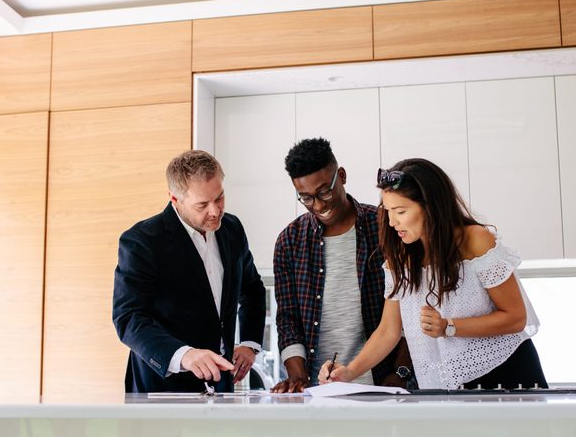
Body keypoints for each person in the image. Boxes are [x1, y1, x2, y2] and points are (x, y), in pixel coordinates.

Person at [319, 158, 547, 390]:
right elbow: (389, 330)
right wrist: (349, 372)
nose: (392, 222)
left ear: (430, 207)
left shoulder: (476, 241)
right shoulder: (401, 257)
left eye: (400, 211)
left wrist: (449, 326)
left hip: (507, 370)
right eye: (387, 211)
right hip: (453, 383)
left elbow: (516, 318)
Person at [113, 150, 266, 393]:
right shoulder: (142, 241)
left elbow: (252, 289)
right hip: (160, 386)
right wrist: (184, 355)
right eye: (202, 205)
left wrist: (249, 344)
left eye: (220, 198)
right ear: (175, 199)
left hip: (222, 384)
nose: (215, 211)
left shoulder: (233, 229)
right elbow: (129, 318)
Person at [272, 138, 411, 393]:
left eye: (324, 191)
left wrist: (400, 373)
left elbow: (408, 310)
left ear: (342, 176)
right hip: (319, 389)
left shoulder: (386, 227)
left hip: (384, 382)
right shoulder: (289, 241)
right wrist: (298, 377)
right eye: (306, 197)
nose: (319, 205)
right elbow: (288, 319)